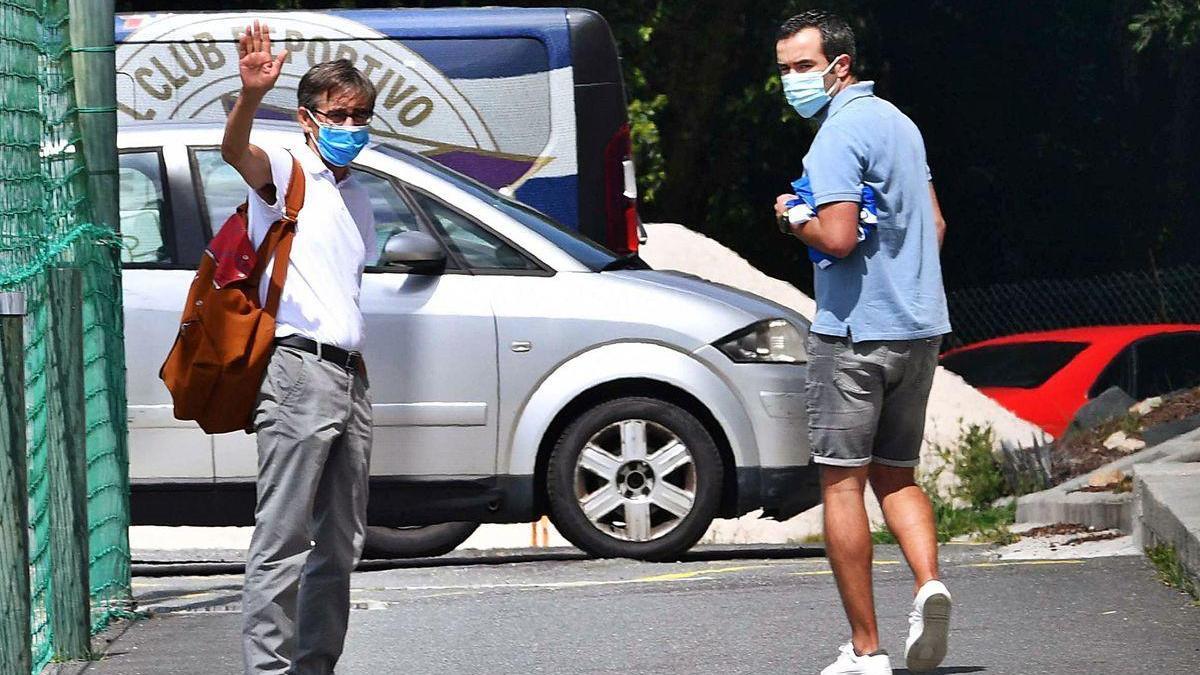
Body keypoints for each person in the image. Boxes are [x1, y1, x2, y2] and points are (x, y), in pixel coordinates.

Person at [772, 10, 953, 675]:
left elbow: (840, 238)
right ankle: (929, 584)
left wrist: (795, 217)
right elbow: (933, 223)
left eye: (801, 66)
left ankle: (867, 649)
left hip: (852, 335)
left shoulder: (835, 136)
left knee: (842, 484)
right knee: (897, 474)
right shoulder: (902, 126)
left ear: (838, 65)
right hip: (920, 329)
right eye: (784, 69)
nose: (792, 79)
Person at [221, 20, 377, 675]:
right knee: (285, 533)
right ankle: (269, 669)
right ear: (307, 119)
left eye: (363, 115)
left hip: (350, 376)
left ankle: (315, 664)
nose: (353, 126)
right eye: (341, 115)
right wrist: (250, 97)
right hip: (295, 369)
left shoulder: (357, 195)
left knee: (340, 540)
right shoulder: (288, 169)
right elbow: (238, 152)